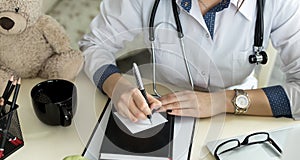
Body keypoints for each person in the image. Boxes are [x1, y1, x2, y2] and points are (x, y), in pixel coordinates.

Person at [79, 0, 300, 122]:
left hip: (238, 114)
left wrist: (222, 101)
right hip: (159, 107)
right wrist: (116, 86)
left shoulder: (281, 4)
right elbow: (94, 45)